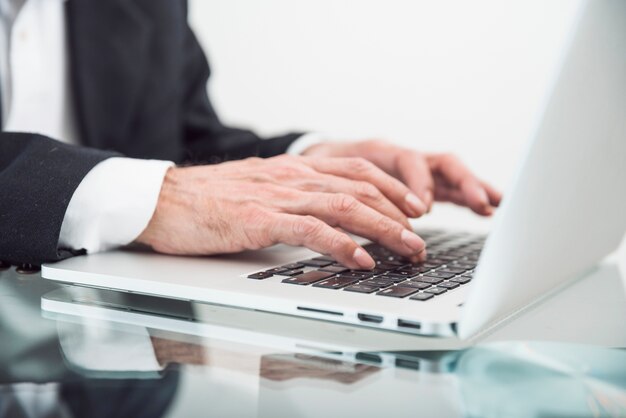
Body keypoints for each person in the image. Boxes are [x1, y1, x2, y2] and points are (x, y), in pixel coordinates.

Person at [0, 0, 500, 270]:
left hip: (113, 383)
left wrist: (316, 162)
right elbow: (162, 186)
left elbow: (184, 146)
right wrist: (150, 199)